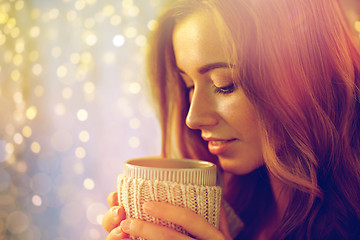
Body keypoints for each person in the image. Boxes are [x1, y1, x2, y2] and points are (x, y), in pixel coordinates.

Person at [102, 0, 360, 239]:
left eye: (224, 84)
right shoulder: (232, 212)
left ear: (305, 74)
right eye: (189, 85)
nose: (193, 118)